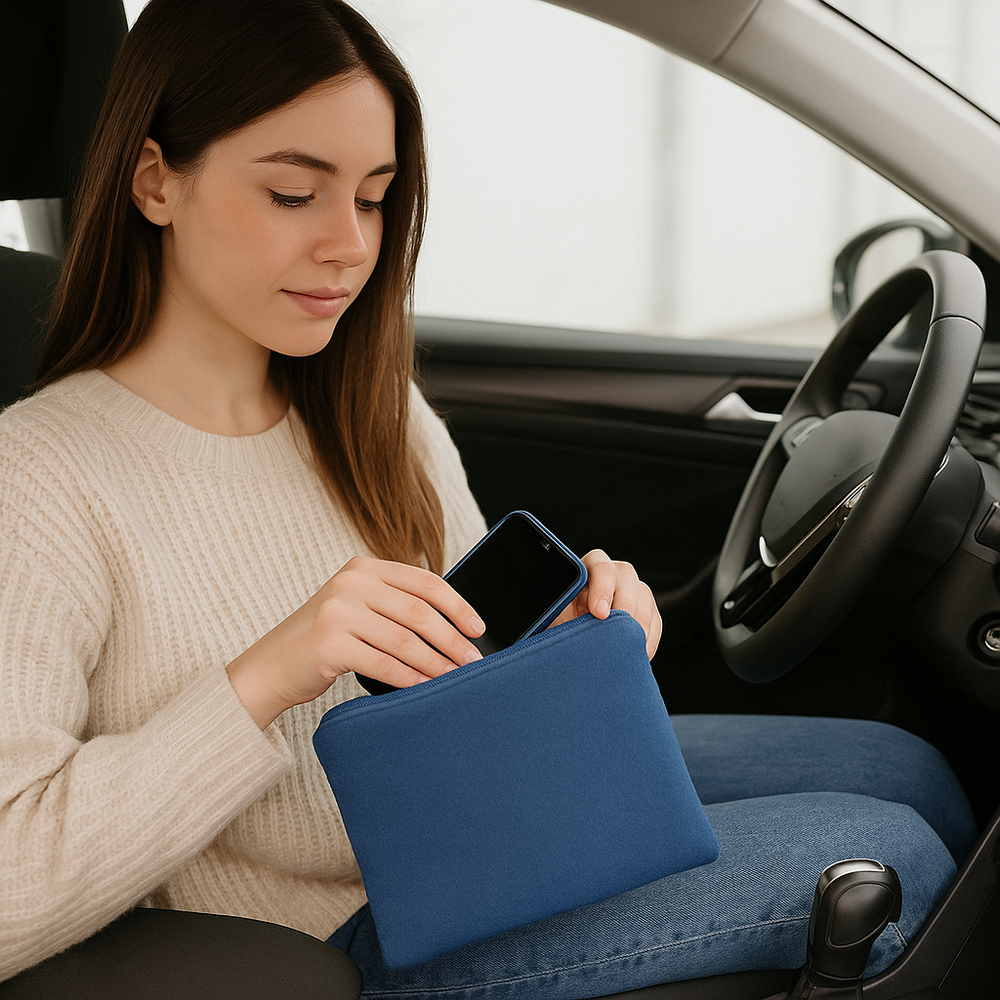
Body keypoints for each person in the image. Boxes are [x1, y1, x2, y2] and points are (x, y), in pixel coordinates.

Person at [0, 1, 976, 997]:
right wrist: (265, 678)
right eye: (295, 191)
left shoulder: (365, 401)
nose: (348, 244)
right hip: (342, 924)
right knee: (881, 844)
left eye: (375, 198)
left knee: (908, 771)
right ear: (157, 181)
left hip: (472, 814)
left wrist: (572, 646)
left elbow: (469, 675)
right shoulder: (38, 481)